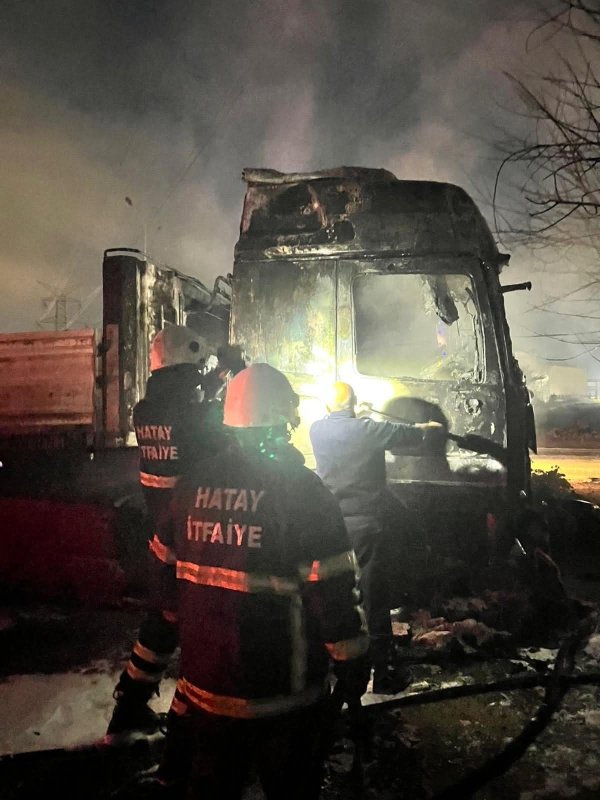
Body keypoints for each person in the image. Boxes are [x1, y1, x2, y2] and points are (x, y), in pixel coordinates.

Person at [139, 363, 370, 799]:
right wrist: (353, 660)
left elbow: (163, 585)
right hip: (286, 700)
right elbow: (333, 590)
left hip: (208, 697)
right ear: (286, 421)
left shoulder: (189, 487)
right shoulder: (303, 491)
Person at [107, 325, 228, 736]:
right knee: (199, 622)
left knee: (160, 622)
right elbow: (219, 438)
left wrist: (209, 383)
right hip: (192, 532)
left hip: (161, 529)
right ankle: (191, 720)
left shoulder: (147, 409)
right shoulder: (195, 414)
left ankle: (128, 709)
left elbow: (182, 414)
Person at [309, 381, 444, 694]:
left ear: (328, 406)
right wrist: (429, 427)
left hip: (332, 526)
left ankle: (330, 668)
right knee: (373, 599)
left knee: (331, 594)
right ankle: (382, 674)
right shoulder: (368, 430)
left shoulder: (318, 430)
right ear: (353, 403)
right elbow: (407, 434)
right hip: (367, 526)